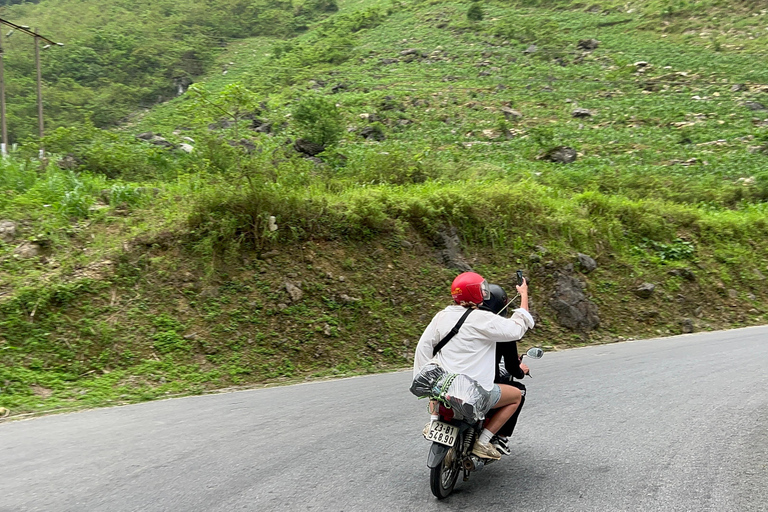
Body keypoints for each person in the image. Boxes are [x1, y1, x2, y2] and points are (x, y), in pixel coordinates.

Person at [413, 271, 534, 460]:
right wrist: (524, 294)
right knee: (517, 396)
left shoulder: (441, 316)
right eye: (481, 289)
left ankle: (433, 421)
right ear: (476, 293)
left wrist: (423, 377)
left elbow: (423, 348)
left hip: (444, 385)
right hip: (476, 392)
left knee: (436, 387)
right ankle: (483, 442)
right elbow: (517, 329)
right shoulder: (483, 319)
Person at [480, 283, 530, 455]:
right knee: (519, 392)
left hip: (452, 378)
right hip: (483, 385)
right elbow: (511, 367)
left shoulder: (462, 322)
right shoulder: (502, 330)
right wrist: (521, 371)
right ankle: (496, 436)